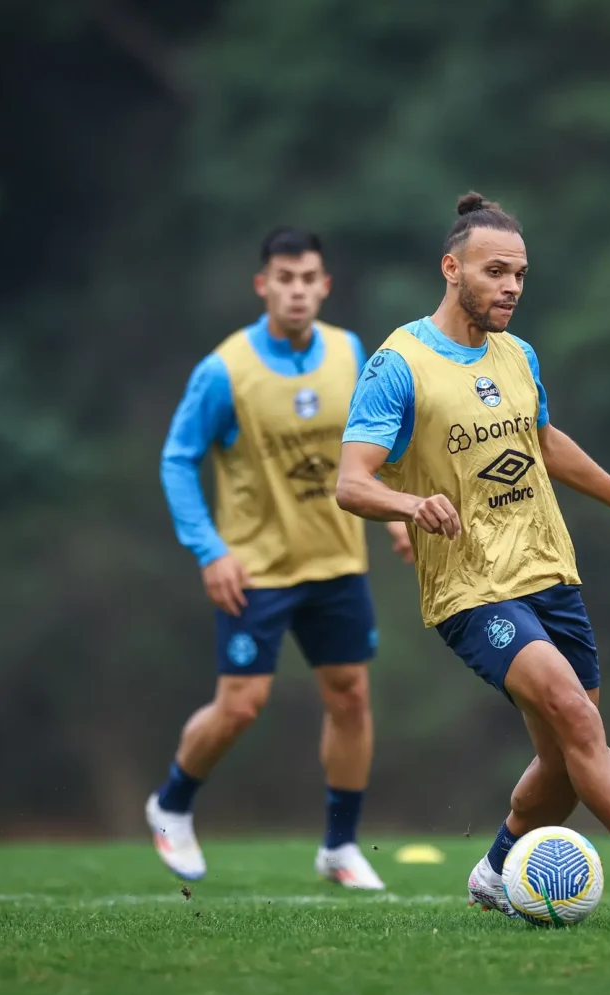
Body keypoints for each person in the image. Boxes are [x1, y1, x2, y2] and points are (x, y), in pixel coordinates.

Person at [337, 193, 610, 925]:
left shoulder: (517, 354)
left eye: (520, 274)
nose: (510, 286)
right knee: (577, 716)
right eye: (495, 271)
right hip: (472, 589)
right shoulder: (398, 364)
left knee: (571, 760)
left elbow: (542, 440)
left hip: (550, 573)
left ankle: (492, 868)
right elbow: (351, 482)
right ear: (452, 269)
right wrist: (412, 506)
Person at [148, 227, 410, 888]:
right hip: (256, 567)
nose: (296, 291)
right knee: (241, 705)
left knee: (351, 697)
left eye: (308, 279)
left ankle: (340, 847)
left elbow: (377, 442)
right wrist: (210, 551)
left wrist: (398, 513)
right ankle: (171, 805)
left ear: (324, 285)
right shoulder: (225, 369)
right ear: (263, 285)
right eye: (283, 279)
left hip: (337, 560)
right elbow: (178, 459)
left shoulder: (351, 353)